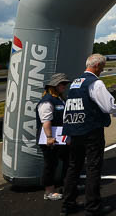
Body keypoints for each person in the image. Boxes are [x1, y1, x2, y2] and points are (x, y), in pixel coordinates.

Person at [61, 54, 116, 216]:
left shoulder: (74, 83)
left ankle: (67, 205)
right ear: (96, 66)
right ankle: (92, 207)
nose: (102, 71)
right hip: (91, 131)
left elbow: (68, 108)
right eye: (101, 68)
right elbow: (107, 106)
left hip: (74, 130)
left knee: (73, 167)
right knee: (93, 167)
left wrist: (66, 131)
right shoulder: (95, 83)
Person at [36, 73, 71, 201]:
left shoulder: (60, 98)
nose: (64, 86)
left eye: (65, 83)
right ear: (54, 85)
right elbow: (46, 121)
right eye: (62, 84)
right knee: (50, 164)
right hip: (49, 138)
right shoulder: (47, 101)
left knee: (69, 160)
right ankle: (49, 192)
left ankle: (68, 186)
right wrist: (49, 137)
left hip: (61, 137)